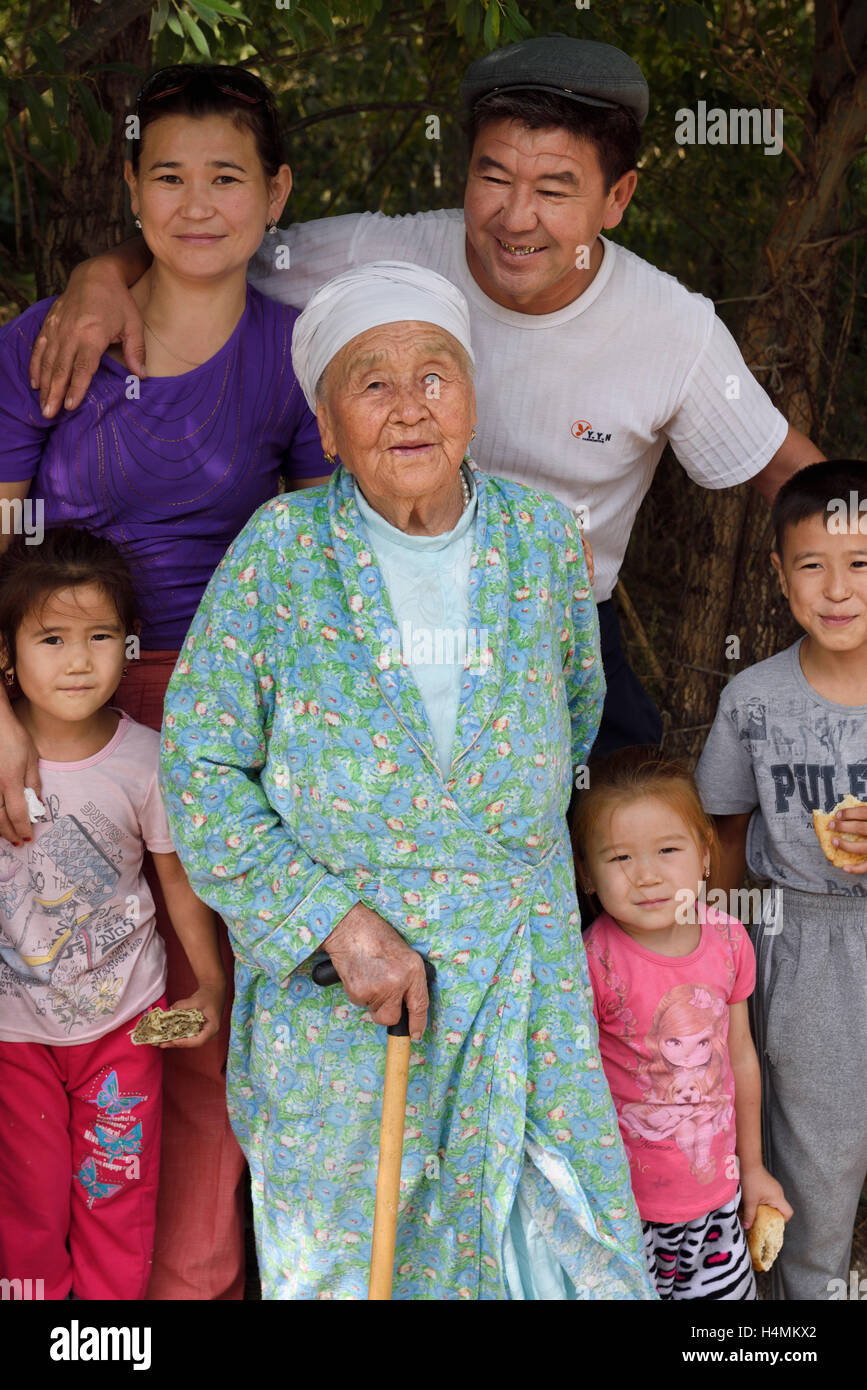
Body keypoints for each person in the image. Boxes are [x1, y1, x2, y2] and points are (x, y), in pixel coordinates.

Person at [28, 37, 823, 756]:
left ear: (616, 199)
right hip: (386, 617)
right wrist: (103, 272)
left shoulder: (671, 330)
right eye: (493, 176)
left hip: (561, 628)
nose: (517, 218)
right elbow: (208, 235)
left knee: (617, 838)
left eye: (555, 188)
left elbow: (792, 476)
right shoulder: (385, 255)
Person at [158, 259, 655, 1300]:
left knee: (554, 1254)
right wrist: (335, 922)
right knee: (357, 1261)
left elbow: (570, 710)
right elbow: (200, 770)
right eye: (372, 383)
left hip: (518, 970)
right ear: (328, 429)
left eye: (436, 374)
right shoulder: (278, 555)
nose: (411, 405)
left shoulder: (539, 539)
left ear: (473, 397)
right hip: (349, 988)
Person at [0, 63, 330, 1301]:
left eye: (229, 177)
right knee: (52, 984)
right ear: (132, 195)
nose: (199, 205)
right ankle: (51, 1297)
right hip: (52, 698)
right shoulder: (51, 337)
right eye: (170, 177)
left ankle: (183, 1287)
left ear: (277, 191)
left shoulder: (298, 356)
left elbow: (314, 569)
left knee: (198, 999)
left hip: (218, 711)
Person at [0, 527, 225, 1300]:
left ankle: (106, 1344)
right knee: (23, 1210)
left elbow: (178, 885)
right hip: (11, 1034)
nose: (77, 660)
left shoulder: (145, 759)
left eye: (100, 637)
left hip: (128, 1022)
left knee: (115, 1193)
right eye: (52, 638)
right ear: (8, 653)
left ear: (129, 647)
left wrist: (212, 989)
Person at [695, 459, 867, 1300]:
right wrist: (719, 950)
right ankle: (803, 1301)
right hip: (795, 945)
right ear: (778, 575)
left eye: (861, 563)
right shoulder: (753, 698)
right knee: (814, 1154)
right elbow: (723, 830)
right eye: (811, 564)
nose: (837, 588)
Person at [571, 746, 791, 1301]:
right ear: (587, 874)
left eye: (667, 849)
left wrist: (755, 1167)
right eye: (619, 858)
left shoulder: (728, 941)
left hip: (717, 1203)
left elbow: (740, 1056)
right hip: (621, 1212)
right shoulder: (590, 961)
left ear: (705, 855)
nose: (646, 876)